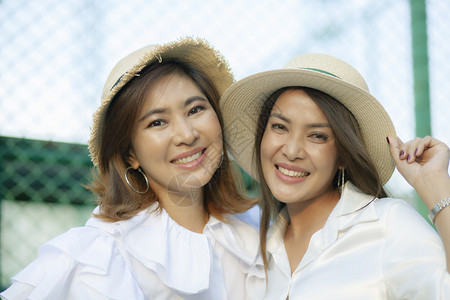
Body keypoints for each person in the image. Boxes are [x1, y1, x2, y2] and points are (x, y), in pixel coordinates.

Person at [1, 37, 264, 299]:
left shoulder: (257, 227)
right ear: (130, 155)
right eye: (157, 122)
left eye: (195, 109)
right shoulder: (99, 257)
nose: (186, 134)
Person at [220, 53, 450, 299]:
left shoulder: (386, 224)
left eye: (317, 135)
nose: (292, 150)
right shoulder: (256, 255)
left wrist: (435, 185)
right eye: (279, 127)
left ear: (343, 156)